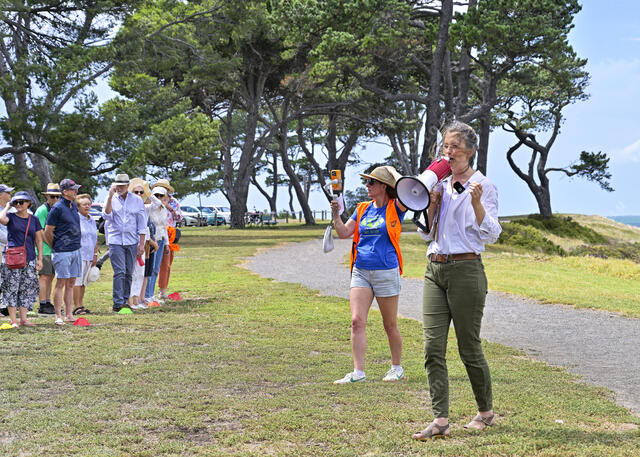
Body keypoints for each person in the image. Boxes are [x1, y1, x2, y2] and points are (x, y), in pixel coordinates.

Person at [411, 121, 502, 440]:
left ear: (470, 151)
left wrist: (476, 204)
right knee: (432, 347)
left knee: (468, 346)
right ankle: (440, 420)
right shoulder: (439, 184)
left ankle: (485, 413)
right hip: (435, 269)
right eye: (445, 147)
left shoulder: (483, 185)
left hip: (466, 270)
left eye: (454, 147)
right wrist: (431, 206)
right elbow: (425, 234)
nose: (448, 153)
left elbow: (492, 234)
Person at [330, 166, 408, 384]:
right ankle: (358, 373)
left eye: (372, 182)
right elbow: (344, 232)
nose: (367, 185)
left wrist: (391, 170)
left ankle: (396, 368)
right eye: (367, 181)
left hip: (386, 271)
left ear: (384, 186)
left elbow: (406, 188)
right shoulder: (362, 208)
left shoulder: (396, 206)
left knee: (389, 324)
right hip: (361, 270)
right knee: (356, 321)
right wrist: (336, 215)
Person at [102, 173, 146, 312]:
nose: (119, 188)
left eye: (122, 185)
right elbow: (106, 215)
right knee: (119, 271)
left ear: (128, 186)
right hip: (115, 240)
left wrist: (141, 244)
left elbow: (142, 223)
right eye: (118, 185)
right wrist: (110, 197)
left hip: (132, 240)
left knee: (128, 272)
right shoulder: (111, 198)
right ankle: (118, 303)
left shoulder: (137, 200)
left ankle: (125, 300)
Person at [0, 191, 43, 327]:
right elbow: (1, 219)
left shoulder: (34, 219)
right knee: (11, 288)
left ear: (28, 203)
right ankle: (13, 320)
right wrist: (8, 206)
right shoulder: (11, 216)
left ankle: (24, 319)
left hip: (29, 258)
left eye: (21, 202)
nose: (18, 204)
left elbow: (39, 240)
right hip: (12, 258)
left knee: (27, 288)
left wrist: (40, 259)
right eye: (16, 202)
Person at [44, 179, 83, 325]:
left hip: (76, 249)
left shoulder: (74, 205)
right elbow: (48, 231)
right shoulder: (57, 208)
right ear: (65, 192)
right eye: (73, 189)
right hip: (62, 251)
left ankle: (69, 314)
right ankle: (58, 316)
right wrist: (55, 246)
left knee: (71, 283)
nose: (76, 191)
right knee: (60, 282)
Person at [35, 183, 62, 315]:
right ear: (47, 197)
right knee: (44, 277)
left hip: (54, 249)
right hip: (44, 249)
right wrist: (52, 244)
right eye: (52, 196)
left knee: (51, 277)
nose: (55, 199)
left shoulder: (57, 210)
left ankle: (47, 301)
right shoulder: (42, 210)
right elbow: (40, 232)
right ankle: (42, 304)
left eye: (58, 197)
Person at [127, 178, 151, 310]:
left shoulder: (145, 208)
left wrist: (147, 189)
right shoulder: (128, 207)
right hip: (131, 242)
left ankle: (136, 299)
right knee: (131, 272)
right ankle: (129, 300)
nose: (139, 194)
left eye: (141, 192)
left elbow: (156, 203)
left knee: (140, 272)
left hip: (143, 242)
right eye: (136, 192)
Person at [73, 194, 98, 315]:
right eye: (84, 204)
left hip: (89, 255)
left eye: (89, 204)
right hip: (79, 254)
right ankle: (76, 306)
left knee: (84, 282)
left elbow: (95, 238)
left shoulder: (92, 220)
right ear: (78, 206)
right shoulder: (75, 219)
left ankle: (81, 304)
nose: (87, 206)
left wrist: (95, 254)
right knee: (77, 281)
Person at [155, 179, 180, 300]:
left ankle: (163, 290)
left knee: (166, 264)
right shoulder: (153, 200)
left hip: (170, 234)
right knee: (154, 264)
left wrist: (170, 208)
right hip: (157, 233)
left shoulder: (174, 202)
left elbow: (179, 218)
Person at [144, 184, 169, 304]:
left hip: (161, 239)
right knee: (150, 267)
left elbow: (164, 227)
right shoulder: (150, 207)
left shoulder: (164, 209)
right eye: (156, 195)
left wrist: (167, 244)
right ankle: (146, 294)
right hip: (152, 240)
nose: (158, 197)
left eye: (161, 195)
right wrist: (149, 193)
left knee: (156, 269)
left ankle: (151, 294)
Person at [0, 184, 14, 316]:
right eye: (7, 192)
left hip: (10, 248)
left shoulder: (11, 209)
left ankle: (4, 306)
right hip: (1, 246)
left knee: (7, 277)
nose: (10, 194)